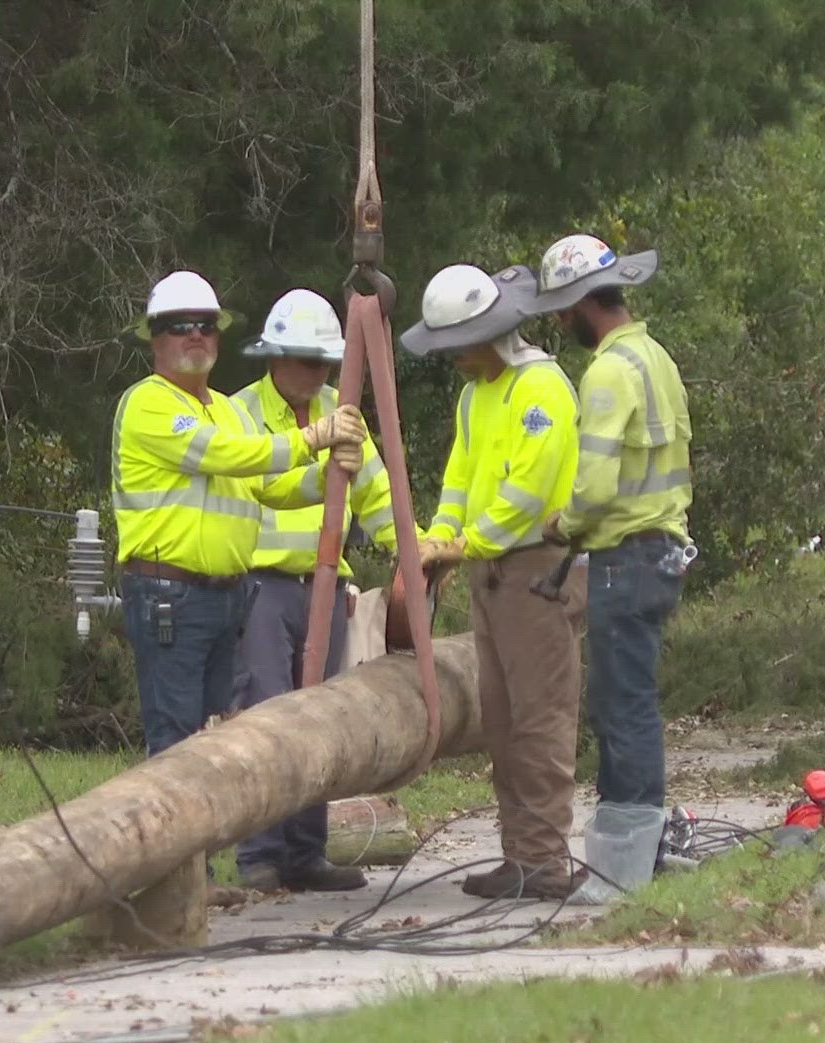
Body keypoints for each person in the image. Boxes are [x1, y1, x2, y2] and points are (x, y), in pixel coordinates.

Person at [109, 271, 368, 760]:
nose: (195, 335)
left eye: (206, 325)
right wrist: (313, 439)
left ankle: (207, 838)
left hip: (227, 597)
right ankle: (177, 837)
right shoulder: (149, 403)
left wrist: (333, 477)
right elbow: (224, 454)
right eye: (180, 325)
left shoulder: (228, 410)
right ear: (154, 338)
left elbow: (270, 487)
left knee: (219, 741)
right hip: (171, 596)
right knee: (176, 745)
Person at [401, 263, 585, 899]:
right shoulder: (476, 393)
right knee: (504, 723)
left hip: (537, 568)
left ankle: (546, 860)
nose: (452, 357)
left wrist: (466, 544)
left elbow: (528, 491)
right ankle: (522, 856)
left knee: (541, 719)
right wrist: (438, 536)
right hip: (493, 569)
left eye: (460, 343)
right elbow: (461, 476)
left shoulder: (542, 389)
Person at [228, 288, 406, 893]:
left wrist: (413, 554)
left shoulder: (343, 410)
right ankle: (260, 853)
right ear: (274, 358)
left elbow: (378, 492)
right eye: (303, 359)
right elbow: (246, 483)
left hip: (328, 587)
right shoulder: (240, 413)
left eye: (323, 361)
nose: (315, 373)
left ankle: (307, 852)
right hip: (261, 585)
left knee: (321, 720)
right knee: (266, 715)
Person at [527, 235, 693, 816]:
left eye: (563, 311)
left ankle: (631, 841)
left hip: (624, 555)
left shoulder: (606, 373)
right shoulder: (656, 358)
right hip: (663, 550)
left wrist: (561, 525)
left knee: (621, 704)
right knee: (631, 696)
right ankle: (637, 836)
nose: (563, 321)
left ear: (579, 305)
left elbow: (594, 489)